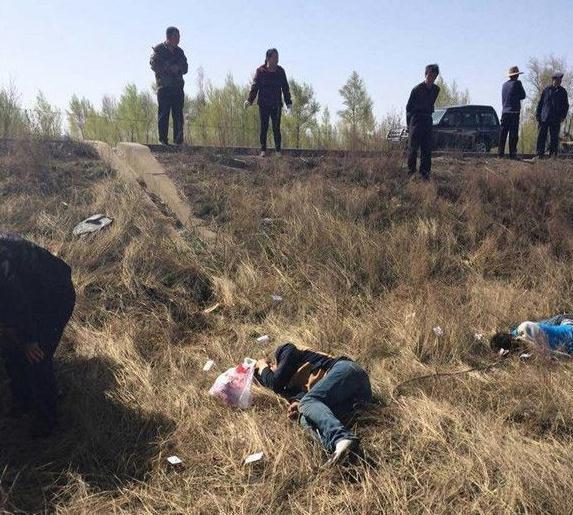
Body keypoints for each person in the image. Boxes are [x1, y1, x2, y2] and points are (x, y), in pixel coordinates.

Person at [0, 233, 75, 437]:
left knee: (37, 357)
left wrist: (29, 339)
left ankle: (47, 419)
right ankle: (23, 400)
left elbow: (16, 300)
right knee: (9, 350)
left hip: (53, 297)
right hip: (25, 295)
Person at [255, 342, 372, 467]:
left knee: (307, 402)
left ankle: (341, 438)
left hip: (347, 371)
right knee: (304, 418)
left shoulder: (285, 350)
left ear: (271, 364)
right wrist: (297, 406)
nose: (267, 377)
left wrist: (261, 366)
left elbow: (275, 383)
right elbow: (306, 399)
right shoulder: (289, 388)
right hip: (354, 399)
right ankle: (340, 451)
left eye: (267, 372)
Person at [244, 48, 292, 157]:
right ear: (268, 58)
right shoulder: (260, 71)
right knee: (264, 127)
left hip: (276, 104)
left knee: (276, 128)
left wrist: (288, 102)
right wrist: (249, 100)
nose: (277, 60)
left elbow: (285, 87)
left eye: (278, 58)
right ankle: (263, 150)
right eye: (275, 58)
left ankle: (278, 151)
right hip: (264, 104)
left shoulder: (280, 71)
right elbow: (255, 86)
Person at [150, 27, 188, 146]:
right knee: (164, 114)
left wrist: (178, 67)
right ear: (169, 37)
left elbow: (185, 68)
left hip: (177, 88)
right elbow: (153, 65)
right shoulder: (159, 50)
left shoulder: (180, 52)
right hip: (164, 87)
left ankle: (178, 141)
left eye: (179, 37)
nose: (178, 39)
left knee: (178, 115)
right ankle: (163, 141)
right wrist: (167, 68)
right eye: (176, 37)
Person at [406, 64, 441, 180]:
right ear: (426, 74)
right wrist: (409, 125)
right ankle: (411, 171)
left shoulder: (436, 90)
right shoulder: (416, 89)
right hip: (416, 119)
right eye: (430, 75)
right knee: (413, 148)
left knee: (426, 148)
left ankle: (425, 173)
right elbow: (408, 108)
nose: (432, 78)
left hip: (427, 119)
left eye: (434, 76)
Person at [490, 314, 573, 356]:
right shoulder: (520, 330)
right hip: (562, 323)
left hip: (566, 324)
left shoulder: (526, 331)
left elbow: (553, 356)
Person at [536, 72, 570, 158]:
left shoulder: (563, 91)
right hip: (544, 118)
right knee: (541, 136)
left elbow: (566, 105)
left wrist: (563, 116)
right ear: (553, 80)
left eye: (560, 80)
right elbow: (540, 103)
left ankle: (553, 155)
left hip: (556, 118)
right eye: (558, 80)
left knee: (554, 138)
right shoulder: (546, 90)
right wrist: (538, 115)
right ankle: (539, 154)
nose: (559, 81)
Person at [498, 66, 526, 159]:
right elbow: (523, 95)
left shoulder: (504, 85)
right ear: (516, 75)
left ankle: (500, 154)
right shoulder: (517, 83)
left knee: (503, 133)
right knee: (513, 134)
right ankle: (512, 154)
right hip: (514, 111)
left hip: (505, 111)